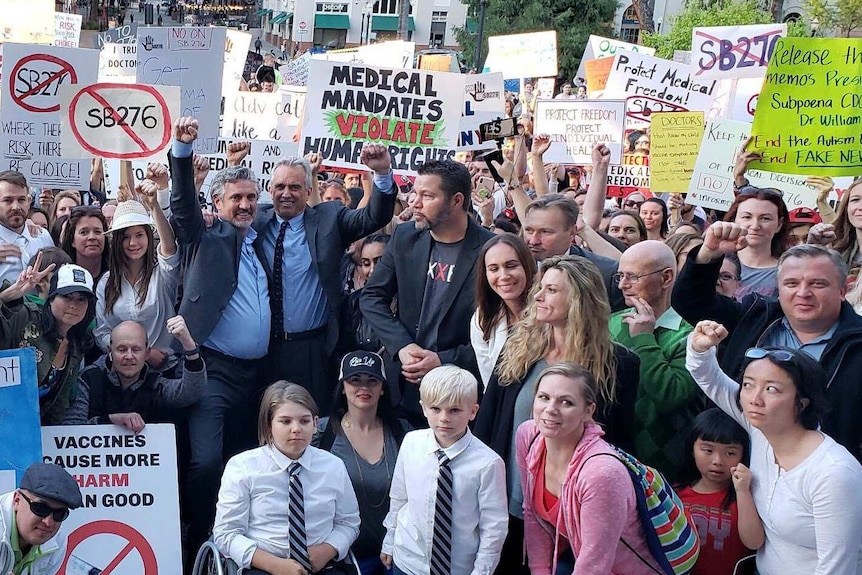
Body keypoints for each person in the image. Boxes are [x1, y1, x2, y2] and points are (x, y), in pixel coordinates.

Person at [474, 255, 640, 573]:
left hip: (573, 517)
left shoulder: (618, 364)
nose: (537, 296)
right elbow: (489, 422)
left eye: (550, 290)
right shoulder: (517, 347)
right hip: (508, 505)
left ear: (578, 299)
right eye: (541, 287)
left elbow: (620, 443)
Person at [169, 117, 273, 559]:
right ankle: (197, 532)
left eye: (251, 197)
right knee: (207, 461)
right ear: (217, 201)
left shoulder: (266, 235)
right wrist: (182, 148)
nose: (245, 205)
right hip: (211, 370)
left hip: (258, 375)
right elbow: (182, 207)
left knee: (244, 456)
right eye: (236, 198)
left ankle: (233, 538)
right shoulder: (206, 232)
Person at [686, 320, 862, 574]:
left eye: (772, 389)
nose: (754, 398)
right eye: (748, 384)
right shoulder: (760, 429)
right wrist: (700, 348)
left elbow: (838, 569)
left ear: (802, 402)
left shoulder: (833, 474)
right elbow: (710, 379)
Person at [673, 239, 862, 463]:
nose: (803, 293)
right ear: (778, 288)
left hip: (824, 478)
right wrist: (708, 255)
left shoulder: (857, 342)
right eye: (791, 283)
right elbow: (689, 301)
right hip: (738, 469)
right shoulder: (754, 315)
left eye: (818, 284)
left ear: (843, 290)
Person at [256, 147, 395, 414]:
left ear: (308, 192)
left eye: (295, 187)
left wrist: (381, 174)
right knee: (268, 420)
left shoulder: (331, 218)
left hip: (315, 348)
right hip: (264, 349)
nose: (287, 193)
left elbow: (374, 216)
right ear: (269, 190)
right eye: (280, 186)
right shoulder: (254, 219)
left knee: (314, 420)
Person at [361, 160, 494, 426]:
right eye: (415, 193)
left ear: (456, 200)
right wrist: (402, 346)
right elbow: (372, 297)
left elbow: (499, 331)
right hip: (404, 386)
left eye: (427, 196)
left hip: (459, 394)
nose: (415, 203)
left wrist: (442, 360)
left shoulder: (490, 250)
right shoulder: (406, 236)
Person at [516, 362, 661, 574]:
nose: (550, 409)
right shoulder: (528, 436)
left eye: (566, 402)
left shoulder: (602, 473)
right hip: (574, 556)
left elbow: (594, 566)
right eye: (544, 397)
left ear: (588, 411)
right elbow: (532, 513)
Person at [213, 381, 360, 575]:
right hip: (264, 565)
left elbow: (348, 522)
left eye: (304, 421)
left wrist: (328, 549)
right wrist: (274, 565)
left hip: (321, 563)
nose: (296, 428)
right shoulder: (243, 467)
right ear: (268, 425)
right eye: (285, 421)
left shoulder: (333, 466)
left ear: (316, 424)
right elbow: (226, 533)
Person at [380, 365, 507, 575]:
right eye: (436, 409)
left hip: (458, 567)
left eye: (454, 410)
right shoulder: (412, 442)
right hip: (409, 560)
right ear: (423, 408)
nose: (444, 418)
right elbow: (400, 496)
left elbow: (494, 527)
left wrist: (481, 572)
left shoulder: (488, 463)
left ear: (473, 411)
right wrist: (389, 539)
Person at [609, 241, 703, 481]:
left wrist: (644, 339)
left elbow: (669, 397)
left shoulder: (690, 338)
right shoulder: (609, 323)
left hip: (660, 474)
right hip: (607, 458)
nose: (622, 285)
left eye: (632, 277)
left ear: (666, 278)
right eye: (620, 276)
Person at [314, 351, 411, 575]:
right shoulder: (322, 433)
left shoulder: (403, 432)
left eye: (372, 381)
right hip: (344, 554)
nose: (363, 388)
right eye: (355, 380)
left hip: (396, 551)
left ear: (383, 388)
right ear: (343, 386)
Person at [64, 318, 205, 431]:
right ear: (110, 351)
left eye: (136, 349)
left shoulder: (155, 382)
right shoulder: (88, 379)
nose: (129, 356)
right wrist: (111, 421)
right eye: (122, 349)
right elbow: (70, 428)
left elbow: (191, 392)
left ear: (147, 353)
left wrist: (189, 345)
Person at [95, 188, 181, 371]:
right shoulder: (106, 282)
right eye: (126, 237)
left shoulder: (162, 275)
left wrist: (154, 205)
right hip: (121, 373)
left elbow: (170, 249)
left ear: (149, 237)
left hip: (164, 369)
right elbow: (102, 331)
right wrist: (138, 354)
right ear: (117, 241)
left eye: (139, 235)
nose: (133, 243)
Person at [0, 261, 95, 425]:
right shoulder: (26, 317)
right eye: (66, 296)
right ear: (51, 299)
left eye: (82, 299)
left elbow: (60, 402)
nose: (74, 305)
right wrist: (8, 295)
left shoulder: (77, 344)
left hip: (28, 429)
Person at [676, 409, 755, 575]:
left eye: (730, 453)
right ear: (692, 449)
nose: (718, 461)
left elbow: (753, 542)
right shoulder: (675, 494)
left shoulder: (746, 496)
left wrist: (743, 491)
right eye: (708, 450)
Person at [521, 194, 624, 310]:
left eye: (545, 232)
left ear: (572, 232)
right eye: (529, 230)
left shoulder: (604, 274)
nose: (533, 241)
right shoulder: (514, 269)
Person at [470, 234, 536, 388]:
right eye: (494, 269)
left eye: (511, 266)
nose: (504, 276)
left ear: (527, 266)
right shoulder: (483, 317)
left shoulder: (547, 312)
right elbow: (490, 384)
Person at [0, 463, 83, 575]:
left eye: (59, 513)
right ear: (17, 500)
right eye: (40, 508)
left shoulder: (57, 541)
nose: (48, 522)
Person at [723, 187, 790, 299]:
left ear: (779, 224)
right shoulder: (714, 265)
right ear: (734, 219)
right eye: (747, 217)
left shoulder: (789, 270)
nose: (755, 226)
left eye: (765, 218)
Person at [0, 172, 54, 286]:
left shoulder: (43, 236)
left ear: (29, 201)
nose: (16, 207)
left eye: (21, 200)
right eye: (8, 200)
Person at [59, 206, 108, 284]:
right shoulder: (62, 276)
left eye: (97, 232)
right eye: (84, 232)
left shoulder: (116, 273)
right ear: (72, 240)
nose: (92, 237)